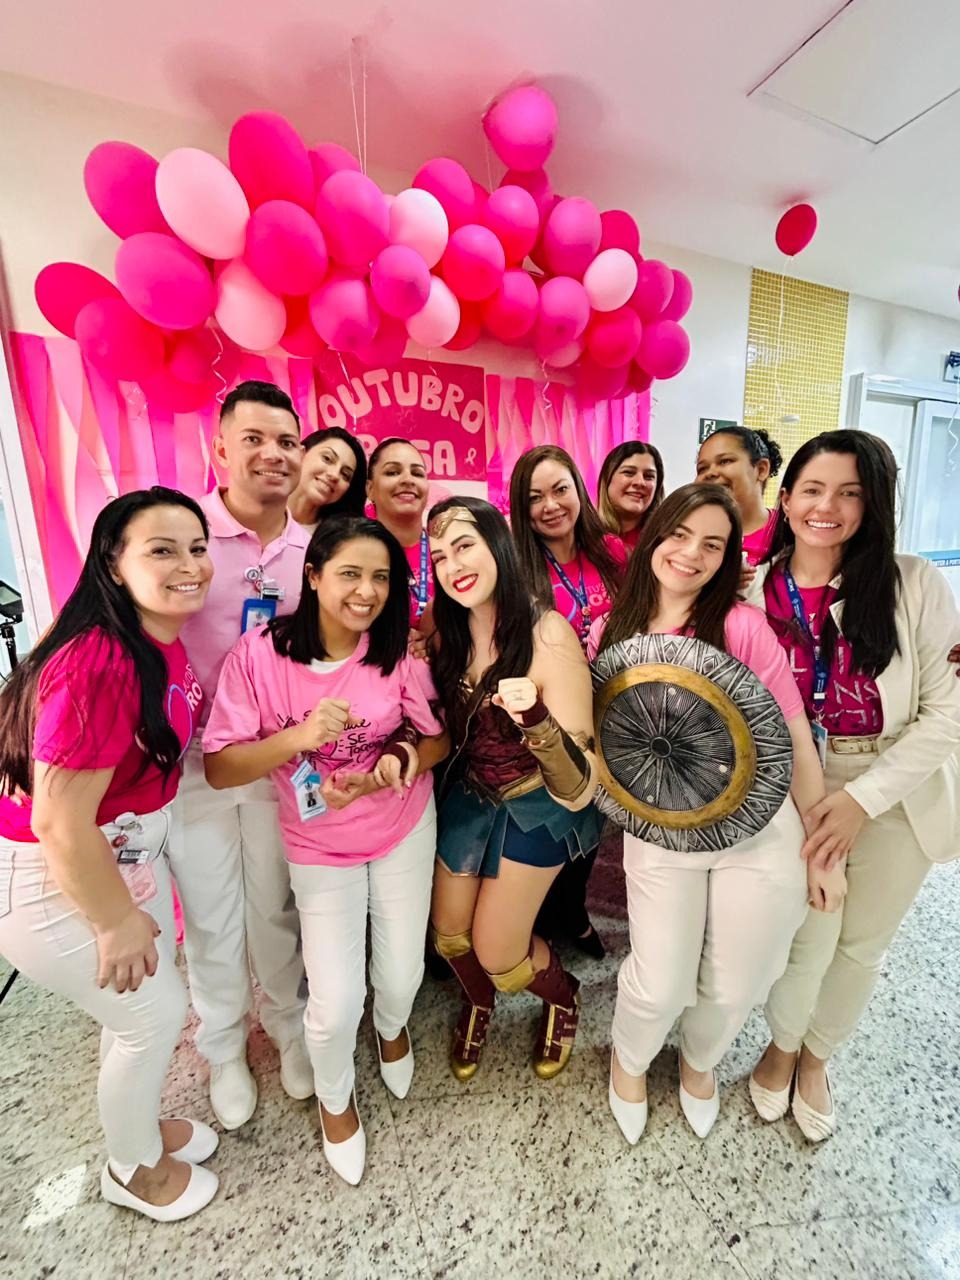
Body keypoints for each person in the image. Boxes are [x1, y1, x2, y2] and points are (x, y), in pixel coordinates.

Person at [202, 516, 448, 1185]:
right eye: (350, 574)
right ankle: (336, 1102)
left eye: (381, 578)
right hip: (316, 843)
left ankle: (392, 1028)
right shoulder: (260, 655)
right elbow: (221, 767)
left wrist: (398, 760)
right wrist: (299, 737)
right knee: (335, 1002)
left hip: (400, 825)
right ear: (312, 576)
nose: (366, 591)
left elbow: (438, 738)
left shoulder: (393, 651)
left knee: (399, 976)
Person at [0, 489, 219, 1221]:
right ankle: (131, 1171)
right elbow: (60, 821)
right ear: (113, 564)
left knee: (134, 1015)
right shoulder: (101, 659)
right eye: (162, 550)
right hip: (55, 877)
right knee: (153, 1017)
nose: (190, 565)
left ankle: (139, 1132)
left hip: (116, 859)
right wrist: (114, 920)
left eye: (197, 548)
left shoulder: (154, 637)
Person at [592, 483, 829, 1145]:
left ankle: (700, 1061)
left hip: (759, 825)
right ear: (653, 537)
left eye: (713, 544)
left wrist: (822, 849)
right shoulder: (609, 632)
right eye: (679, 534)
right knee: (662, 980)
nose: (691, 554)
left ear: (728, 558)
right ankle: (630, 1059)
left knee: (742, 977)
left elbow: (792, 734)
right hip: (661, 828)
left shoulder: (742, 627)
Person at [748, 430, 960, 1141]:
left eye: (850, 494)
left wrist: (862, 800)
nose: (827, 507)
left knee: (862, 944)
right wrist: (818, 802)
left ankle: (816, 1058)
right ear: (785, 498)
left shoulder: (915, 584)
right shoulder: (750, 593)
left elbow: (948, 713)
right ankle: (781, 1047)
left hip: (895, 784)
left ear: (873, 505)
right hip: (793, 787)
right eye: (812, 489)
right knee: (808, 934)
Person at [173, 379, 313, 1131]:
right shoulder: (184, 532)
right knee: (211, 911)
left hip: (273, 758)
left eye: (287, 441)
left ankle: (287, 1024)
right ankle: (223, 1044)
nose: (272, 454)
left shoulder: (310, 552)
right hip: (188, 764)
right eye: (253, 439)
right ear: (220, 447)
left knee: (273, 900)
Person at [427, 497, 600, 1083]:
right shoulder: (443, 629)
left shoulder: (548, 633)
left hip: (543, 802)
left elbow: (581, 787)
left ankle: (563, 997)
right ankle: (478, 1003)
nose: (454, 565)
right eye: (439, 555)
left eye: (465, 545)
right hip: (473, 793)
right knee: (450, 937)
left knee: (501, 956)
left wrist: (536, 721)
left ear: (497, 544)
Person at [510, 444, 624, 959]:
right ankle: (537, 915)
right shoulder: (517, 565)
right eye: (535, 497)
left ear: (579, 489)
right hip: (551, 717)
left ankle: (573, 911)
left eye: (560, 490)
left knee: (593, 818)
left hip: (611, 706)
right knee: (556, 816)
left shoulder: (612, 552)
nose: (551, 505)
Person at [366, 437, 433, 630]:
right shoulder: (350, 547)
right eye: (393, 472)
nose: (407, 480)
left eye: (417, 473)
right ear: (370, 489)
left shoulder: (445, 550)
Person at [694, 425, 783, 565]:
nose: (710, 473)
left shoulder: (790, 531)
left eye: (725, 461)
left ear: (761, 469)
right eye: (702, 468)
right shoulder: (690, 532)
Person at [288, 427, 367, 531]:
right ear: (302, 453)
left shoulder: (340, 536)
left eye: (345, 474)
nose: (334, 475)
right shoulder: (266, 508)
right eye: (327, 459)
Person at [597, 441, 665, 554]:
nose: (640, 482)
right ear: (607, 479)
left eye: (649, 476)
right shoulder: (581, 535)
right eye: (629, 472)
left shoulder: (664, 542)